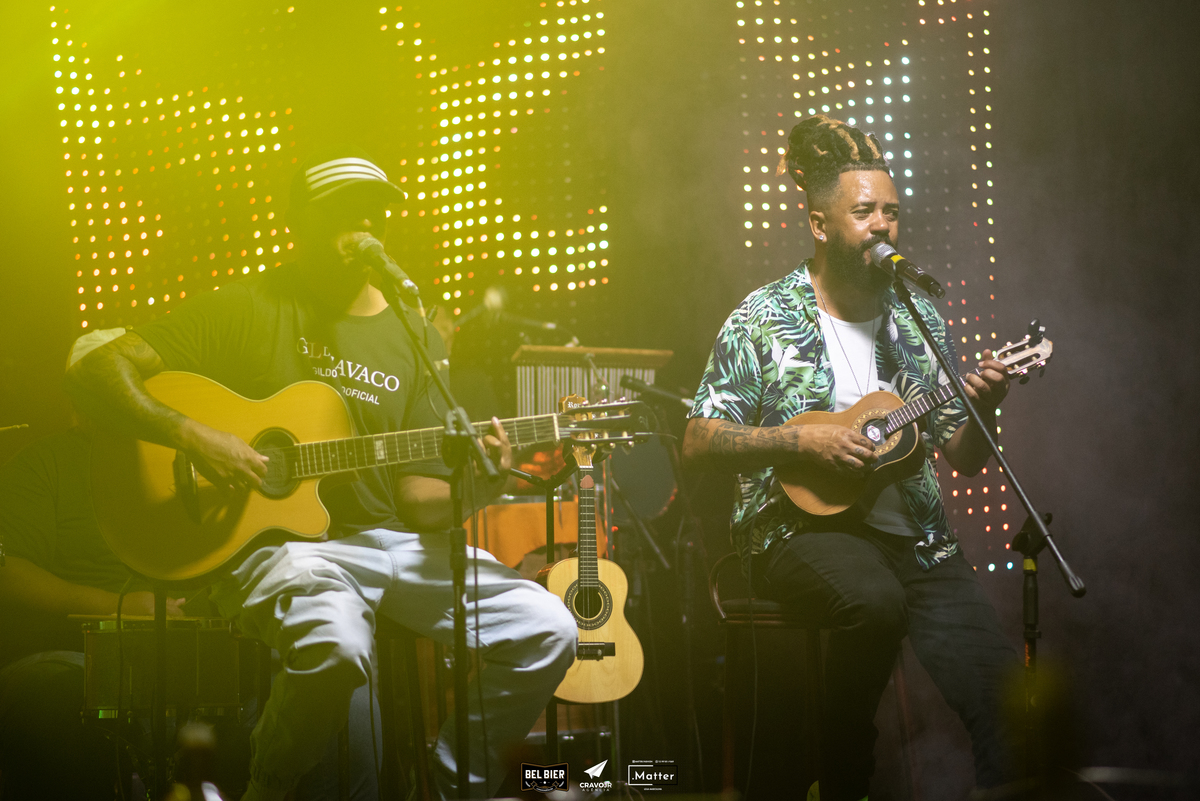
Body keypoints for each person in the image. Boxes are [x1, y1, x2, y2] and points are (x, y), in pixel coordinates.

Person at [65, 148, 578, 801]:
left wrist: (485, 483)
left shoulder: (413, 333)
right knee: (336, 649)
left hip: (392, 544)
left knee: (549, 627)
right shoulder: (247, 306)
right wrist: (192, 435)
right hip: (286, 547)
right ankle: (269, 784)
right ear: (298, 222)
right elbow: (94, 371)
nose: (365, 223)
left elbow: (419, 499)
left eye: (376, 210)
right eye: (344, 209)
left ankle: (454, 786)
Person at [682, 115, 1018, 801]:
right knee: (874, 601)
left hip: (917, 542)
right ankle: (842, 772)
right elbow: (697, 441)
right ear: (819, 223)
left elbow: (963, 458)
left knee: (1004, 696)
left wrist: (986, 406)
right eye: (864, 212)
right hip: (796, 531)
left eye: (891, 211)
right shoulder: (762, 317)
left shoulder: (919, 318)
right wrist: (797, 440)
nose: (882, 225)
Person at [0, 329, 380, 800]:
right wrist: (119, 606)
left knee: (333, 692)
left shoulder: (199, 457)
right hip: (83, 658)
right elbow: (8, 574)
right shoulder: (44, 464)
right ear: (79, 402)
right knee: (45, 696)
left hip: (208, 662)